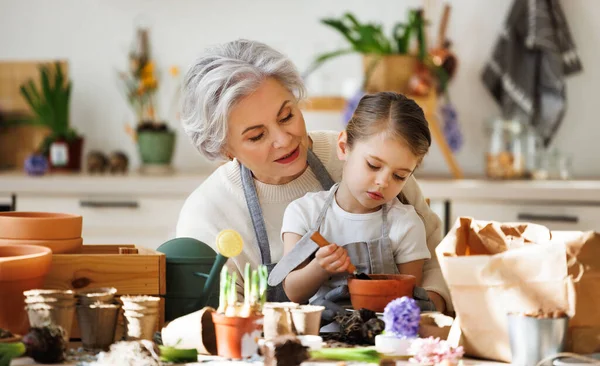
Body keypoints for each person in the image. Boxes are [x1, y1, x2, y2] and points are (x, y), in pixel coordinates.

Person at [176, 39, 451, 313]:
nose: (284, 140)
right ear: (224, 148)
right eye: (257, 136)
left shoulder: (371, 156)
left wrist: (423, 312)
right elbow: (222, 320)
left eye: (286, 116)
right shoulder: (208, 212)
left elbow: (436, 260)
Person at [268, 92, 432, 319]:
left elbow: (409, 303)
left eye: (399, 176)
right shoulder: (304, 213)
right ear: (344, 147)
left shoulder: (406, 224)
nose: (383, 182)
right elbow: (293, 292)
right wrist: (319, 267)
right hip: (323, 339)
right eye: (373, 165)